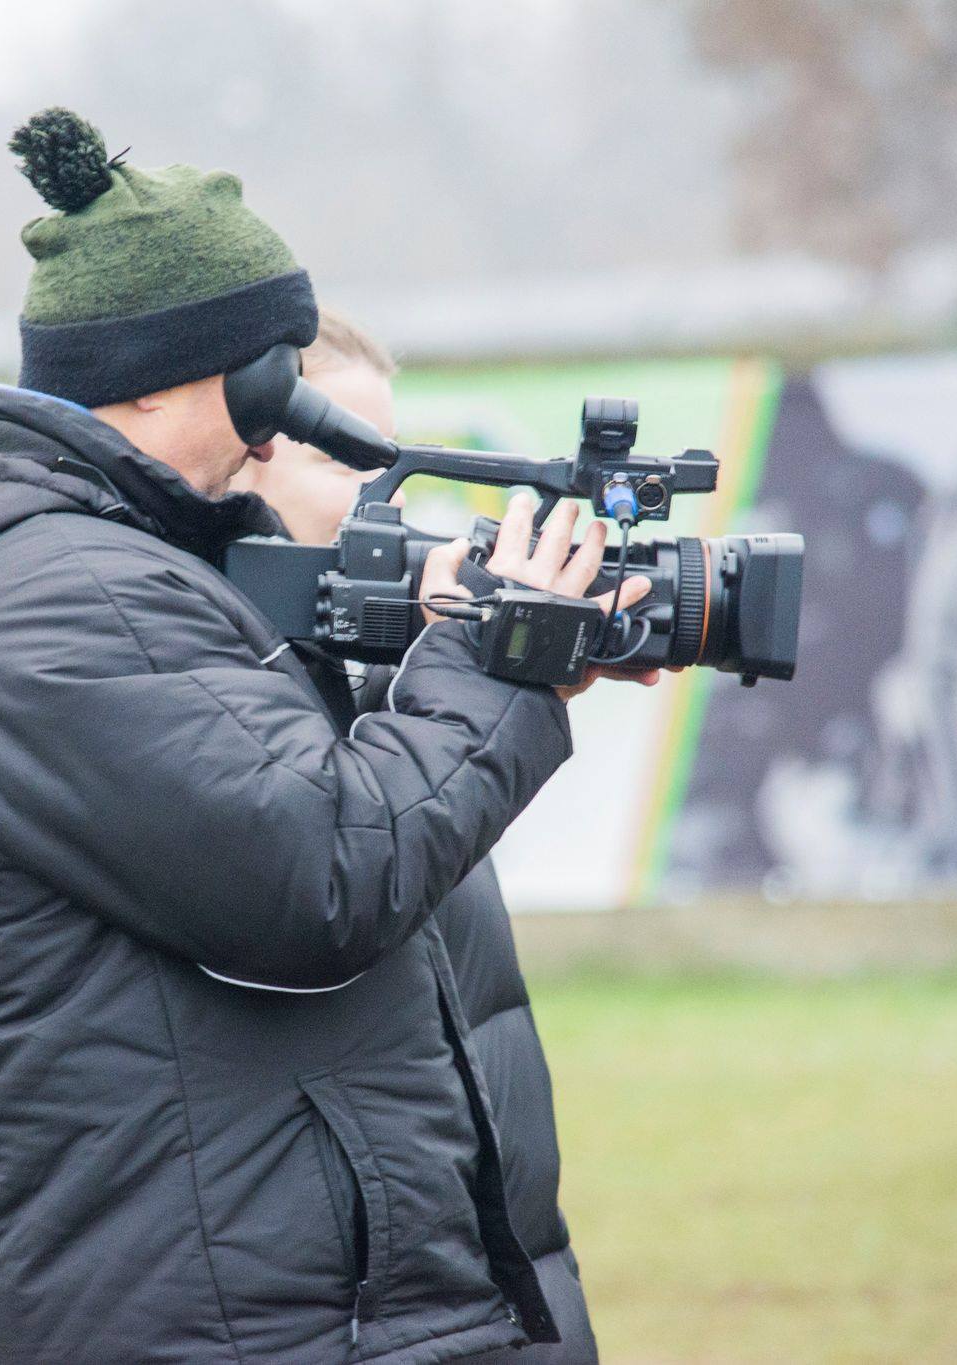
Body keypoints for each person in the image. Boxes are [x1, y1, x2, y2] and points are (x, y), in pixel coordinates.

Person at [0, 108, 655, 1363]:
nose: (276, 431)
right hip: (229, 1324)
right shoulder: (61, 603)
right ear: (155, 377)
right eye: (263, 380)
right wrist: (495, 665)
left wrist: (462, 650)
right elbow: (320, 872)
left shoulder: (119, 577)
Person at [230, 310, 611, 1363]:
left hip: (493, 1285)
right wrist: (482, 678)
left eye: (389, 466)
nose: (384, 503)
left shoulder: (367, 685)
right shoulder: (208, 700)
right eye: (343, 460)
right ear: (235, 456)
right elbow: (340, 870)